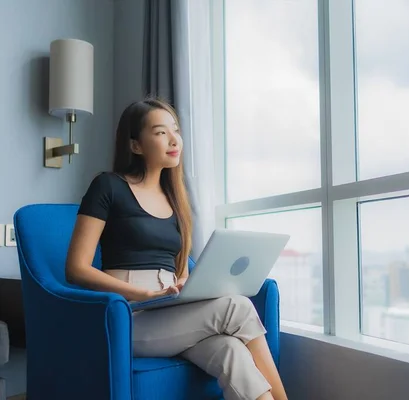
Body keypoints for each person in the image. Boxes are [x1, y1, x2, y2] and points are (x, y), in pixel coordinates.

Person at [65, 97, 288, 400]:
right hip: (129, 314)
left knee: (231, 350)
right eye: (160, 132)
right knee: (238, 306)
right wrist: (141, 294)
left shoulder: (176, 200)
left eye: (175, 130)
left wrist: (186, 284)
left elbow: (180, 267)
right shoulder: (107, 186)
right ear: (135, 145)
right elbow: (76, 269)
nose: (173, 140)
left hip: (170, 309)